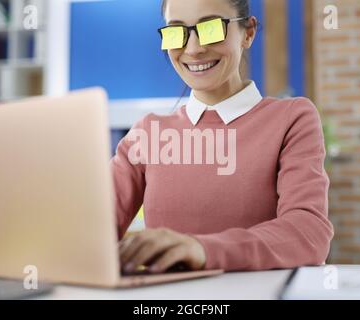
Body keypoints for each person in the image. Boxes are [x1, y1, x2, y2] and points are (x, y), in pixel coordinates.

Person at [111, 0, 334, 274]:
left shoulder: (291, 119)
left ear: (248, 33)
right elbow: (93, 227)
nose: (193, 49)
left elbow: (308, 233)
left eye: (211, 28)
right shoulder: (148, 133)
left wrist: (202, 249)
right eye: (176, 32)